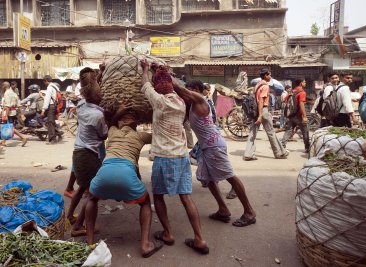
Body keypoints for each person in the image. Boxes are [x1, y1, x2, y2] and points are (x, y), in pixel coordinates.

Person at [140, 59, 209, 255]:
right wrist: (162, 72)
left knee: (158, 196)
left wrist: (145, 69)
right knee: (186, 197)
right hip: (181, 156)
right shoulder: (181, 102)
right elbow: (174, 87)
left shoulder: (159, 101)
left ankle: (168, 233)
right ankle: (200, 239)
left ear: (158, 88)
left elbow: (145, 84)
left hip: (164, 156)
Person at [172, 78, 257, 227]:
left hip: (214, 146)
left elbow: (182, 91)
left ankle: (249, 212)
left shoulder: (201, 100)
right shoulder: (191, 105)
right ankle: (223, 210)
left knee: (230, 176)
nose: (188, 92)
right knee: (208, 179)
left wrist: (166, 76)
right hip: (206, 147)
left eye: (191, 89)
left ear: (198, 90)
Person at [85, 108, 163, 258]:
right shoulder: (141, 135)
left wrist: (122, 111)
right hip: (126, 173)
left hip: (104, 172)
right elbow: (159, 134)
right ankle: (145, 244)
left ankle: (89, 243)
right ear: (136, 123)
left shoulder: (113, 131)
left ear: (119, 122)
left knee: (92, 199)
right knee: (146, 202)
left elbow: (113, 120)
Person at [66, 68, 108, 236]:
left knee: (82, 187)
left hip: (78, 152)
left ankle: (70, 216)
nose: (102, 97)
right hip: (89, 155)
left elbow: (91, 89)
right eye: (100, 95)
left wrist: (99, 76)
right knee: (92, 194)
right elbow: (104, 134)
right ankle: (77, 228)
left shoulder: (81, 104)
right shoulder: (97, 116)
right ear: (95, 97)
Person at [243, 68, 288, 161]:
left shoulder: (257, 85)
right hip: (262, 110)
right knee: (271, 132)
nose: (270, 77)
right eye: (269, 75)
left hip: (256, 111)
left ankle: (248, 154)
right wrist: (260, 115)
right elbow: (261, 101)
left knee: (253, 132)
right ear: (265, 76)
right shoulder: (265, 86)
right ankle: (279, 153)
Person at [281, 79, 310, 153]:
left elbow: (285, 100)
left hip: (291, 115)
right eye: (304, 82)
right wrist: (304, 116)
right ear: (301, 83)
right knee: (305, 131)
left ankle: (282, 146)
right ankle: (307, 148)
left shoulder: (292, 91)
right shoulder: (302, 92)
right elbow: (301, 104)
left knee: (288, 130)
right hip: (299, 115)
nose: (305, 83)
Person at [1, 82, 28, 147]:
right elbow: (19, 105)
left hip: (9, 112)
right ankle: (4, 141)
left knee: (10, 127)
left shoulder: (7, 93)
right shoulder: (13, 93)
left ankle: (23, 137)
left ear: (4, 86)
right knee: (6, 126)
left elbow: (7, 106)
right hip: (13, 111)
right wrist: (22, 113)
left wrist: (6, 115)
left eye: (2, 86)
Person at [41, 75, 60, 143]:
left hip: (51, 106)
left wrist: (43, 110)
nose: (44, 83)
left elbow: (47, 99)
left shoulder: (49, 87)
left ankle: (52, 139)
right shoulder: (55, 87)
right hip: (55, 106)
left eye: (44, 82)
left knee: (50, 122)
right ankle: (57, 134)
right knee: (52, 122)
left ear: (46, 81)